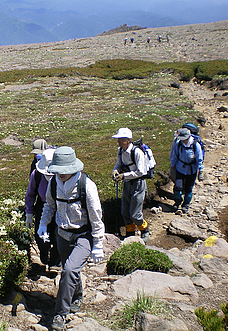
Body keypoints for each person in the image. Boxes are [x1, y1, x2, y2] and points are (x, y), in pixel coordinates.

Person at [37, 146, 104, 331]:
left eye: (63, 172)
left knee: (68, 270)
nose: (60, 175)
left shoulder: (87, 186)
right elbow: (49, 206)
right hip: (62, 235)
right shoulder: (53, 184)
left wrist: (98, 244)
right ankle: (77, 296)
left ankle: (60, 314)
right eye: (57, 171)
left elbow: (96, 216)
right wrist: (43, 224)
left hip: (84, 235)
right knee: (70, 270)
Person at [111, 127, 150, 241]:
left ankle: (144, 229)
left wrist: (124, 176)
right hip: (128, 183)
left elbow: (141, 172)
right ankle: (130, 231)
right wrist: (115, 171)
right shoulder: (120, 151)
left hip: (138, 184)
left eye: (121, 139)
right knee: (124, 210)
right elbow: (118, 164)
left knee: (135, 213)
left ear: (128, 140)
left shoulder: (137, 152)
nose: (118, 141)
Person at [25, 148, 60, 269]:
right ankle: (44, 252)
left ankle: (55, 261)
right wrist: (29, 213)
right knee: (40, 235)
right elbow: (30, 194)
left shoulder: (63, 175)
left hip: (59, 207)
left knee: (58, 235)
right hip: (42, 205)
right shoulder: (37, 175)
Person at [170, 128, 204, 213]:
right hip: (180, 168)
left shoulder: (195, 145)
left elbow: (199, 159)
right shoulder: (178, 144)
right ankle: (177, 202)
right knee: (178, 187)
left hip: (191, 170)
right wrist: (172, 166)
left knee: (189, 189)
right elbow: (174, 156)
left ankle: (186, 204)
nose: (183, 141)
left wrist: (201, 171)